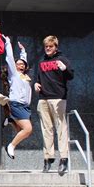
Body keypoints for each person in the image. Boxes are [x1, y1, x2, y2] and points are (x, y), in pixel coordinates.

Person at [34, 35, 74, 176]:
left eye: (50, 46)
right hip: (43, 98)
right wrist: (36, 84)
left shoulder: (62, 59)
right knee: (46, 129)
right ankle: (48, 158)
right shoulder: (41, 61)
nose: (48, 49)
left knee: (61, 129)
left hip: (58, 98)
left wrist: (64, 69)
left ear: (55, 47)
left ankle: (63, 159)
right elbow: (38, 78)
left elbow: (71, 75)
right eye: (46, 46)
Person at [2, 36, 33, 159]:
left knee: (22, 131)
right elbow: (9, 58)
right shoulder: (14, 75)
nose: (20, 65)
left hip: (25, 106)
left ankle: (10, 120)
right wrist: (8, 43)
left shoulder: (25, 76)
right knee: (28, 129)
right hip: (16, 104)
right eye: (17, 64)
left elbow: (23, 61)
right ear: (14, 66)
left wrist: (23, 52)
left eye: (22, 64)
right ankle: (11, 146)